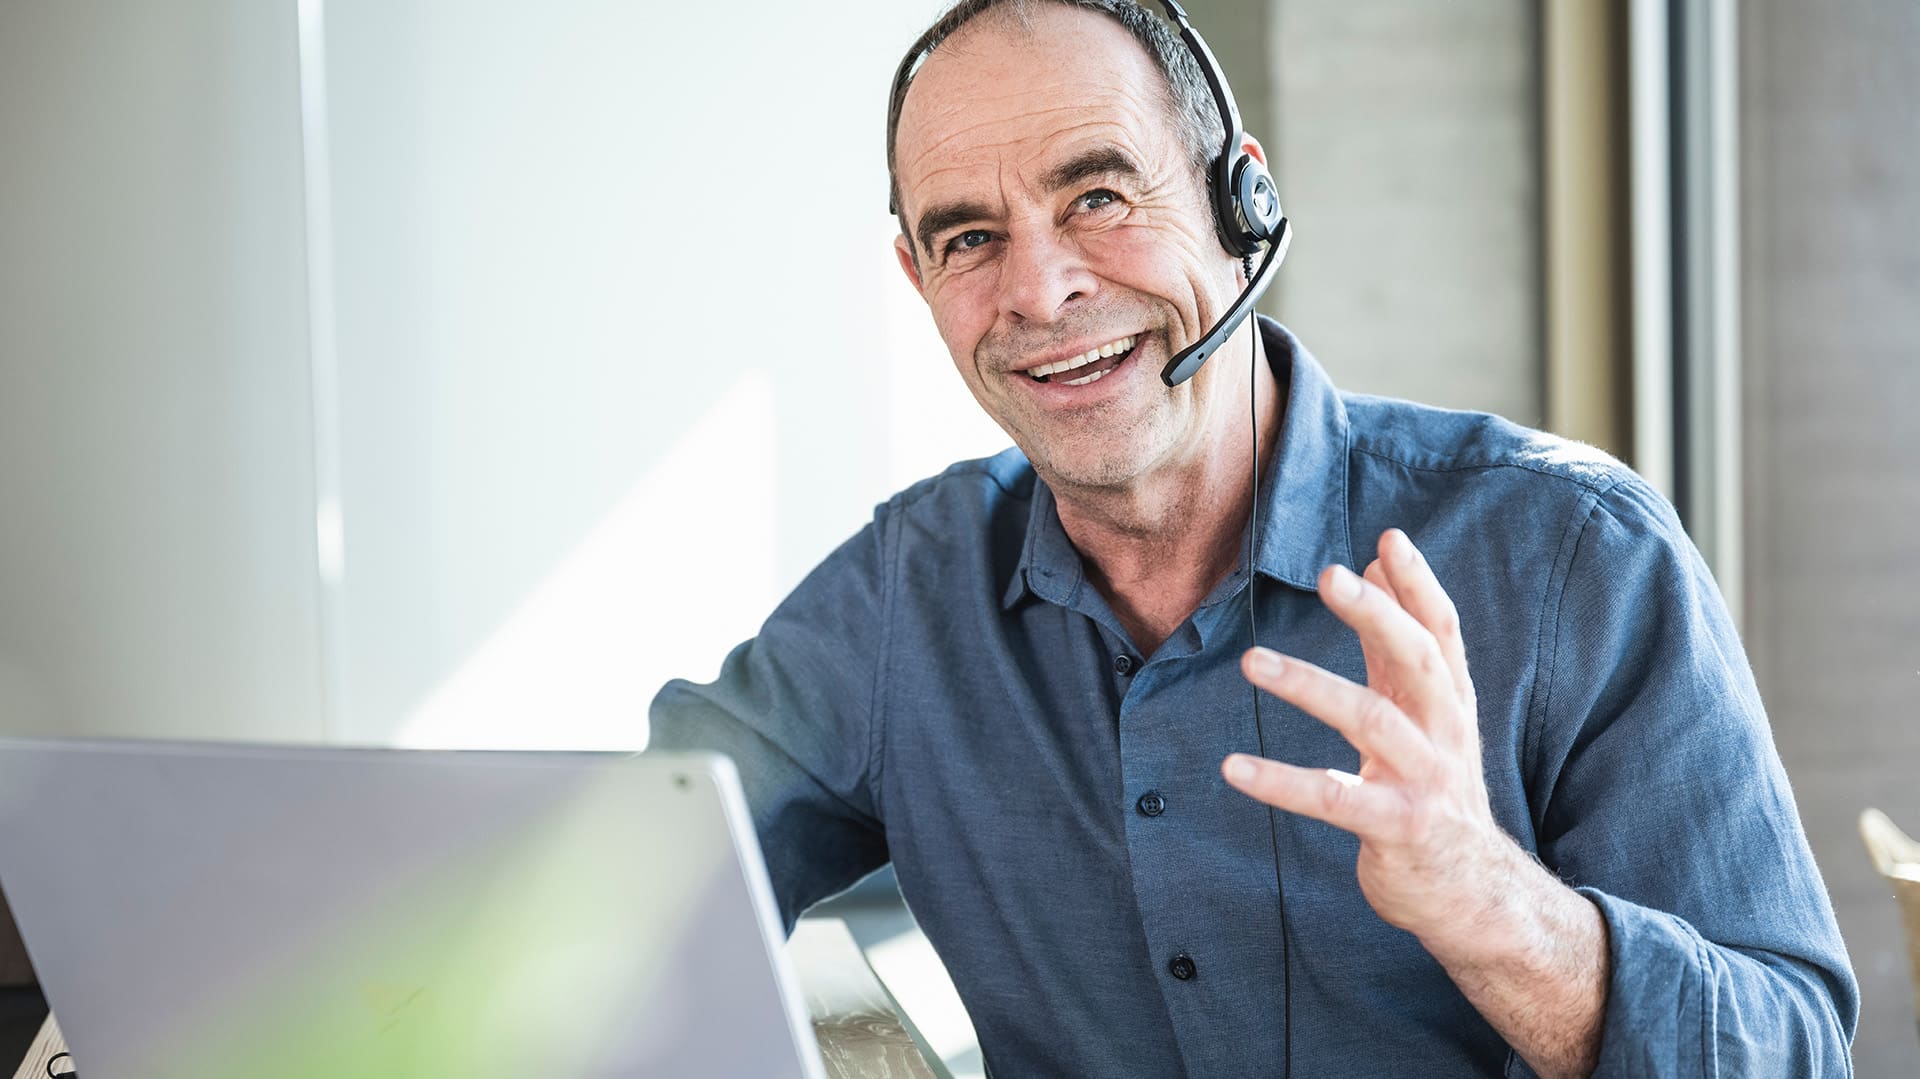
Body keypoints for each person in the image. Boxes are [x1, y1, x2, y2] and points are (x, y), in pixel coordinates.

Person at [649, 1, 1858, 1074]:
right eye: (971, 238)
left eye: (1100, 196)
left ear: (1242, 200)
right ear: (919, 280)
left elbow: (1793, 1050)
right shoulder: (903, 597)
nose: (1039, 289)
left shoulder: (1570, 553)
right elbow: (614, 880)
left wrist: (1490, 903)